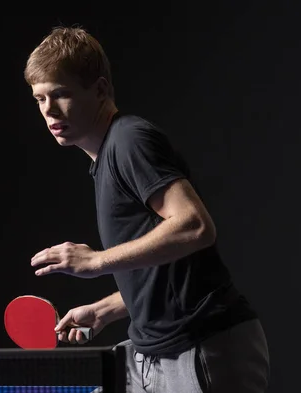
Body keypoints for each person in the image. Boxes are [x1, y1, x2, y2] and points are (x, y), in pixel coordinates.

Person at [25, 26, 270, 393]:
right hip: (150, 353)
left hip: (201, 348)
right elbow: (167, 265)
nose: (49, 110)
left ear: (101, 89)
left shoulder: (129, 141)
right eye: (40, 99)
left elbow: (194, 227)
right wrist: (104, 309)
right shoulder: (106, 158)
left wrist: (94, 262)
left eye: (61, 94)